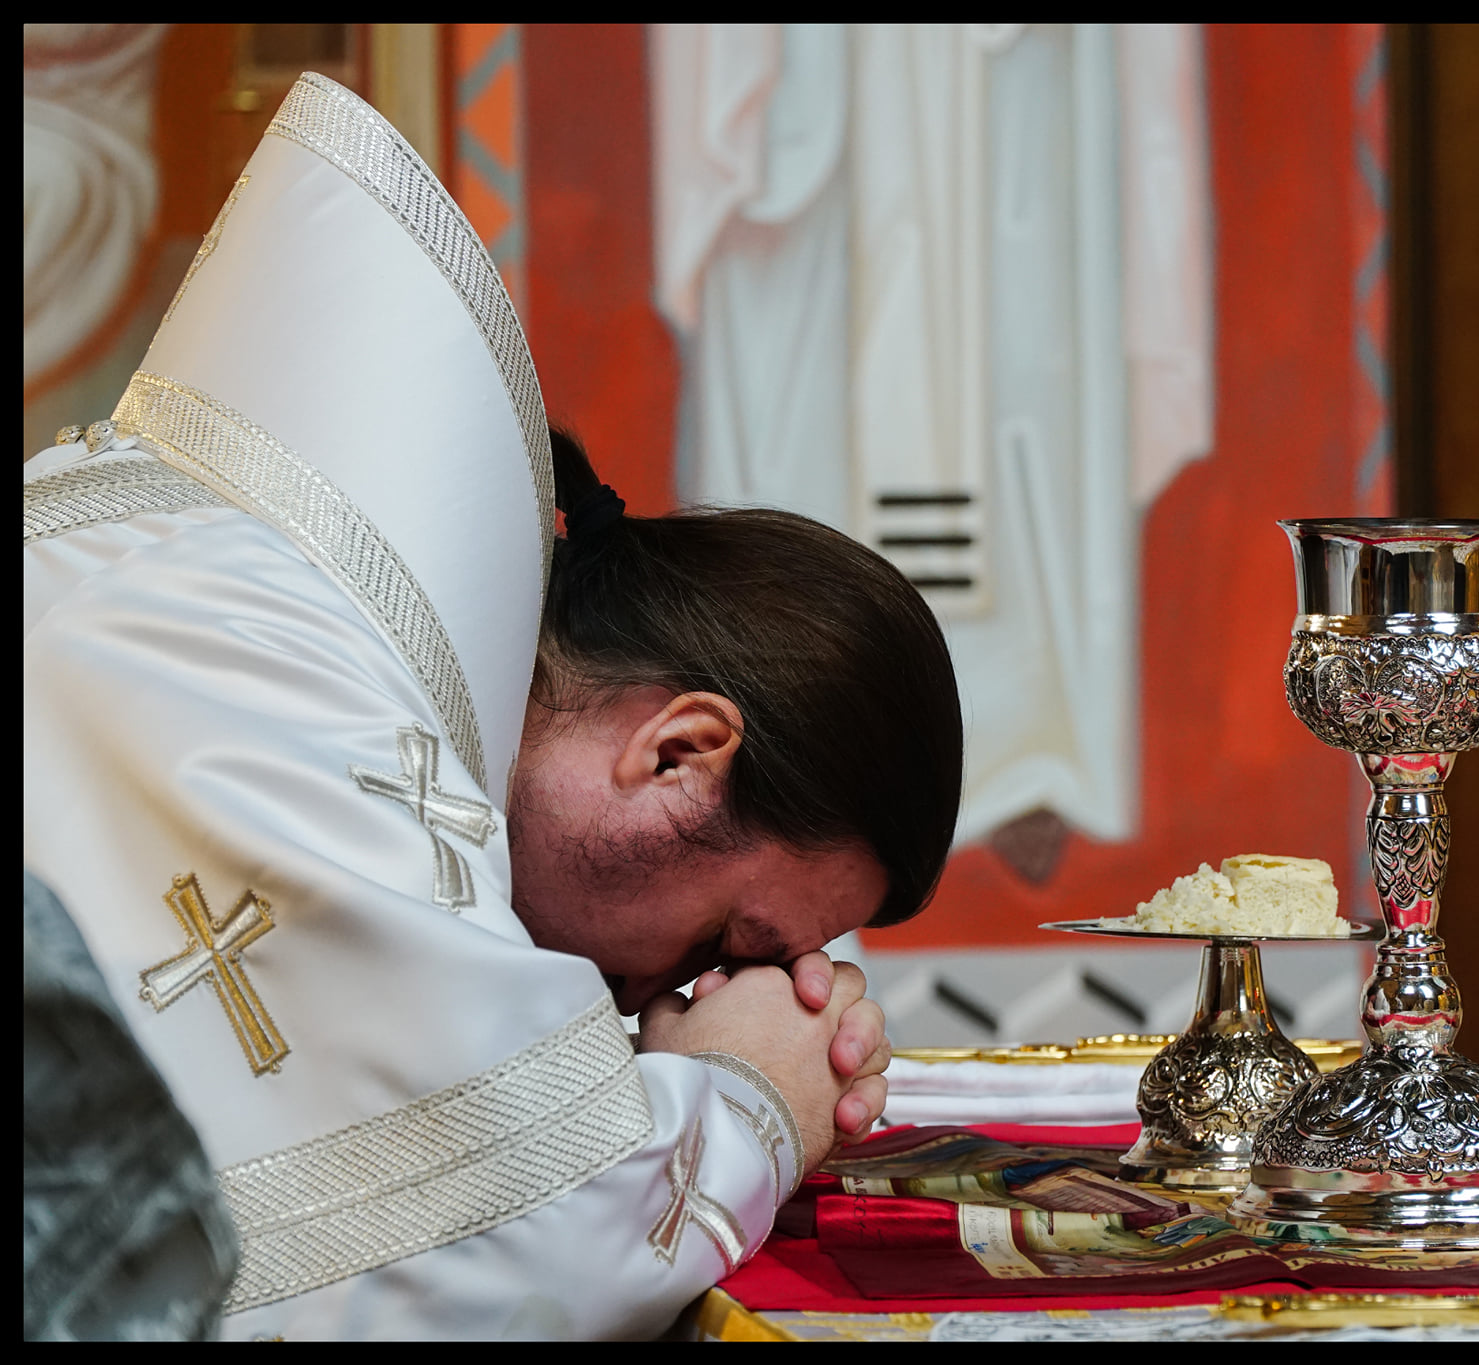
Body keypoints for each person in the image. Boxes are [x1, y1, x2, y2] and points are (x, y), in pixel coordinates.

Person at [22, 72, 961, 1340]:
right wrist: (747, 1097)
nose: (675, 996)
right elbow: (493, 1261)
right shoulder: (281, 685)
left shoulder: (249, 591)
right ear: (680, 753)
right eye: (725, 945)